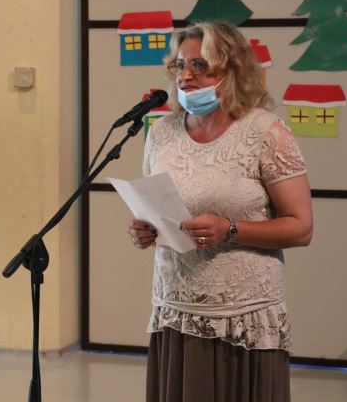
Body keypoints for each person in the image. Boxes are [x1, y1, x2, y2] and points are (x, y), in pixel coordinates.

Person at [128, 21, 313, 402]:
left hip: (242, 317)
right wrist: (144, 230)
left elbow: (301, 228)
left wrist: (230, 229)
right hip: (176, 310)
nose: (186, 76)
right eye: (180, 65)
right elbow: (158, 207)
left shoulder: (266, 132)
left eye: (200, 65)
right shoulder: (161, 132)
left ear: (232, 70)